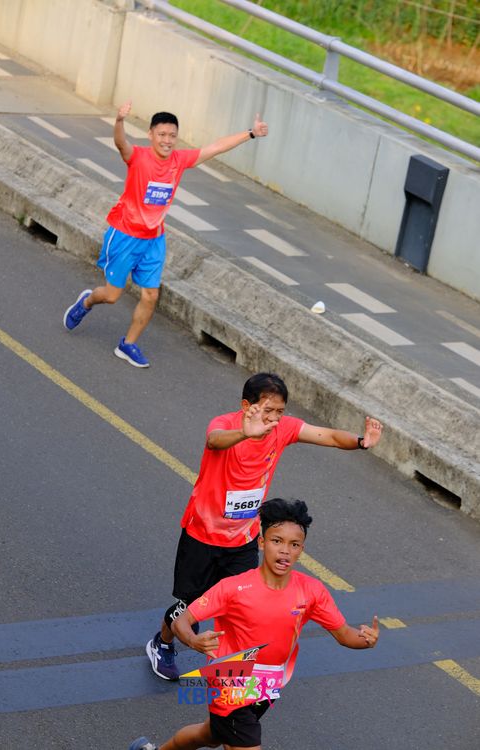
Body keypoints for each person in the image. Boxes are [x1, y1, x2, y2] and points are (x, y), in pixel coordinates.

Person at [146, 372, 382, 680]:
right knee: (190, 605)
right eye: (267, 410)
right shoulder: (225, 425)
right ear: (247, 406)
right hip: (202, 535)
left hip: (243, 540)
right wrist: (245, 433)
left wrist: (362, 442)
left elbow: (329, 437)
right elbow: (214, 441)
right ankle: (162, 643)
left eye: (279, 411)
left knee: (245, 603)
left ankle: (237, 668)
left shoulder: (282, 429)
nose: (273, 418)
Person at [130, 497, 379, 750]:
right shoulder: (233, 588)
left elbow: (344, 634)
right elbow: (181, 620)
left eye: (293, 544)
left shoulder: (312, 591)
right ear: (261, 542)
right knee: (240, 740)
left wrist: (366, 640)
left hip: (269, 682)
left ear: (301, 550)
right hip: (230, 679)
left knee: (211, 735)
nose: (285, 550)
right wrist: (193, 640)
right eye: (277, 541)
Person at [63, 102, 268, 367]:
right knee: (112, 296)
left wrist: (250, 133)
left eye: (172, 135)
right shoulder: (138, 157)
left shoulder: (179, 161)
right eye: (162, 134)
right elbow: (121, 143)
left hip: (154, 240)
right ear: (150, 135)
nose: (167, 140)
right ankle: (86, 302)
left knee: (151, 295)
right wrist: (119, 121)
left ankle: (128, 344)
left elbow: (215, 148)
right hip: (125, 235)